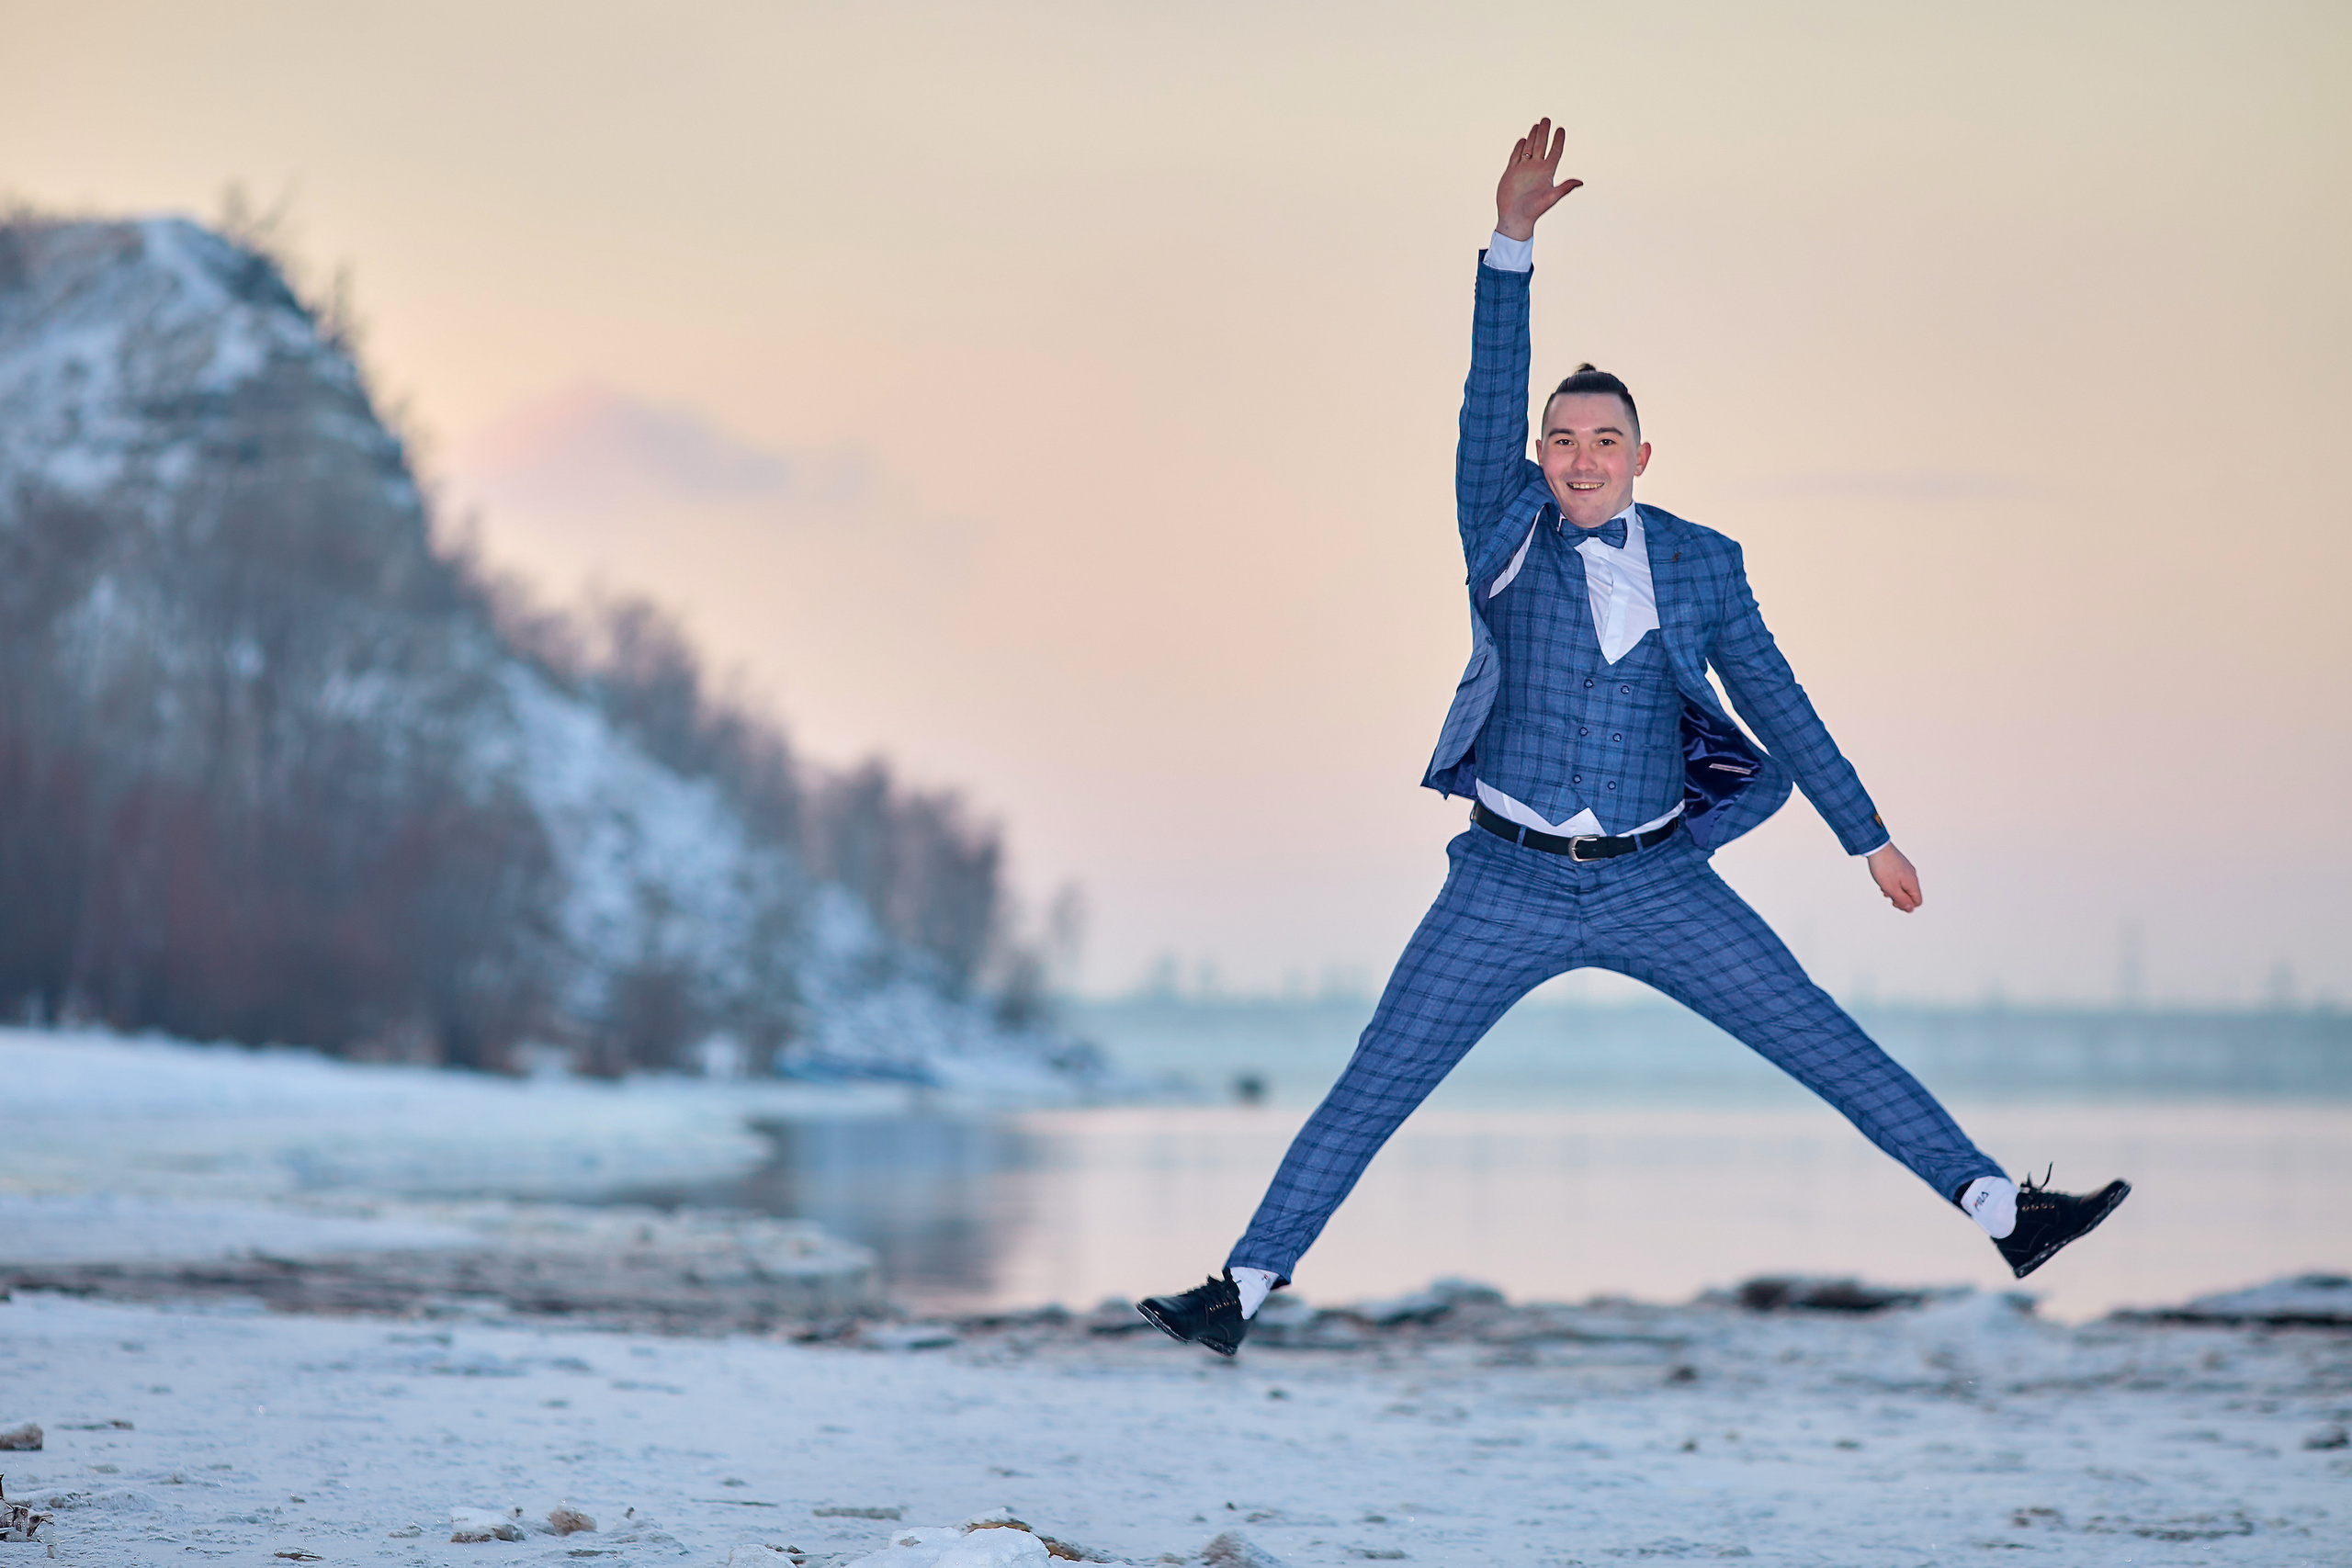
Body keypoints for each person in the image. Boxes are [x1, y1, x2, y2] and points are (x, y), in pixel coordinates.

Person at [1139, 119, 2129, 1357]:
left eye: (1605, 439)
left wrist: (1867, 837)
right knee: (1378, 1079)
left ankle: (2006, 1213)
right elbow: (1487, 396)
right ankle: (1239, 1290)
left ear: (1642, 457)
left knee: (1817, 1034)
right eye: (1562, 439)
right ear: (1539, 457)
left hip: (1658, 882)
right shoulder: (1504, 528)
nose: (1581, 457)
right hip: (1503, 883)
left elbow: (1778, 699)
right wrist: (1510, 243)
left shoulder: (1705, 564)